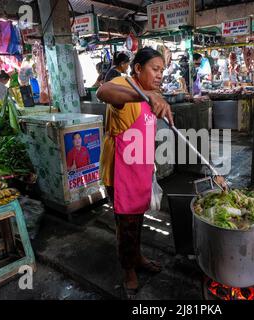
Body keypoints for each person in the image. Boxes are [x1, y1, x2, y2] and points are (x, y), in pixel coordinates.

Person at [96, 47, 174, 299]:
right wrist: (145, 97)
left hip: (139, 166)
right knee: (126, 225)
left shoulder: (150, 92)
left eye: (162, 70)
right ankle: (128, 269)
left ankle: (137, 257)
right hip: (120, 169)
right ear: (138, 68)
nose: (160, 74)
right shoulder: (123, 84)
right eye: (155, 69)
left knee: (137, 218)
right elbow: (102, 91)